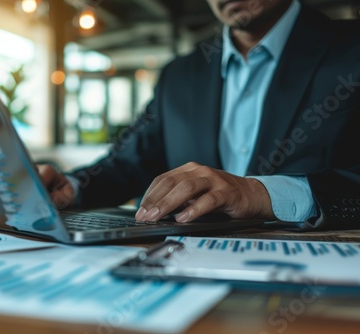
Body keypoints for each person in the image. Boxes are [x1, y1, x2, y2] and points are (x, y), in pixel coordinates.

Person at [40, 0, 360, 229]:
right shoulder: (180, 74)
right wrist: (71, 186)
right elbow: (128, 163)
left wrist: (264, 194)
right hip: (188, 272)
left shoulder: (351, 47)